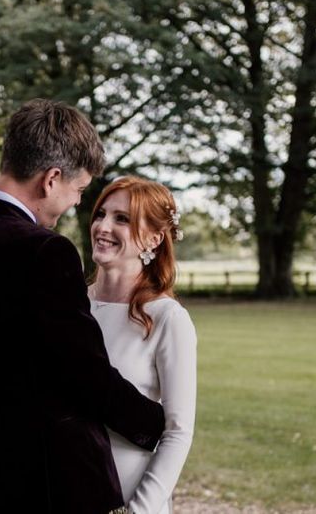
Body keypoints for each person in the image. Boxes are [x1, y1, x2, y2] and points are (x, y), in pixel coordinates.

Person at [0, 99, 165, 514]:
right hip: (53, 483)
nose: (75, 203)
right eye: (78, 190)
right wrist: (155, 424)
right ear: (51, 179)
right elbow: (83, 372)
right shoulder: (44, 251)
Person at [88, 176, 197, 514]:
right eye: (101, 213)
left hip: (128, 496)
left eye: (122, 219)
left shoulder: (167, 319)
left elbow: (177, 432)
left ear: (153, 238)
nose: (103, 226)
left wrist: (137, 510)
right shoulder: (70, 305)